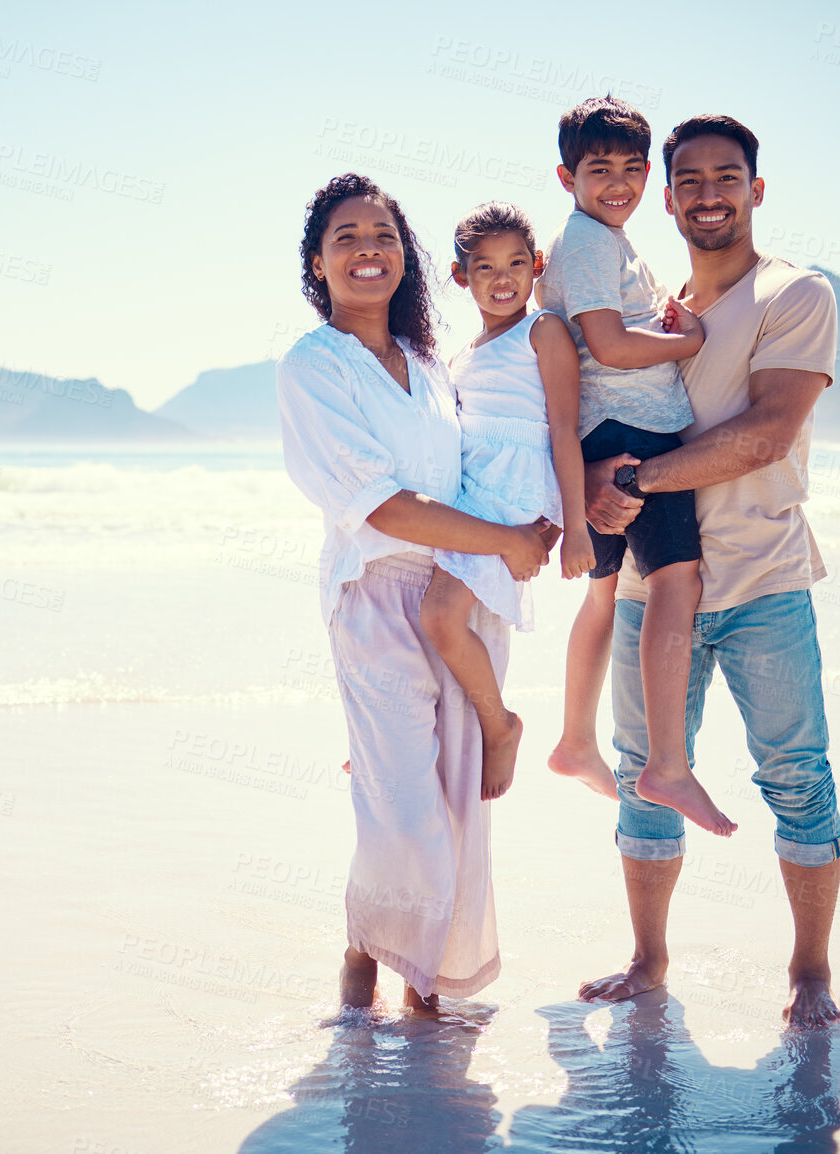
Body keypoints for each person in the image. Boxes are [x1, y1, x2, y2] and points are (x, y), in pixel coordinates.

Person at [576, 115, 840, 1029]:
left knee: (795, 776)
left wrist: (634, 482)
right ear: (665, 196)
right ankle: (648, 962)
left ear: (755, 191)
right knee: (641, 772)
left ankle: (809, 971)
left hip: (763, 579)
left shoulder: (793, 292)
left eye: (725, 177)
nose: (706, 193)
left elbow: (768, 432)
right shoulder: (656, 310)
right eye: (686, 179)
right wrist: (586, 484)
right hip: (652, 590)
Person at [275, 173, 551, 1015]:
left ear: (408, 258)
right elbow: (380, 502)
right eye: (347, 237)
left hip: (458, 593)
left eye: (384, 236)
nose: (368, 250)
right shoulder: (312, 366)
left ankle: (423, 989)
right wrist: (506, 540)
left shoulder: (433, 368)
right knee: (402, 810)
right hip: (375, 592)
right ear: (318, 264)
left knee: (455, 807)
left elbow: (501, 451)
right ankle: (365, 946)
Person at [538, 97, 736, 837]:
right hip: (637, 432)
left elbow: (620, 328)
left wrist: (667, 319)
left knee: (601, 599)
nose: (616, 183)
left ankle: (575, 741)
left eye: (629, 168)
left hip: (608, 432)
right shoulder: (590, 240)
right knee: (674, 585)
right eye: (598, 170)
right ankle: (666, 765)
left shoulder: (602, 242)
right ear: (567, 177)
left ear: (645, 173)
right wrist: (687, 345)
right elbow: (610, 346)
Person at [418, 201, 588, 804]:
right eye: (485, 267)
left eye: (517, 263)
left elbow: (564, 427)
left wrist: (576, 528)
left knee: (440, 617)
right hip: (474, 489)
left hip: (512, 492)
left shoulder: (542, 331)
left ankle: (501, 725)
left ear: (537, 266)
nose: (503, 278)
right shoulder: (462, 352)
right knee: (432, 620)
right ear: (461, 276)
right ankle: (398, 734)